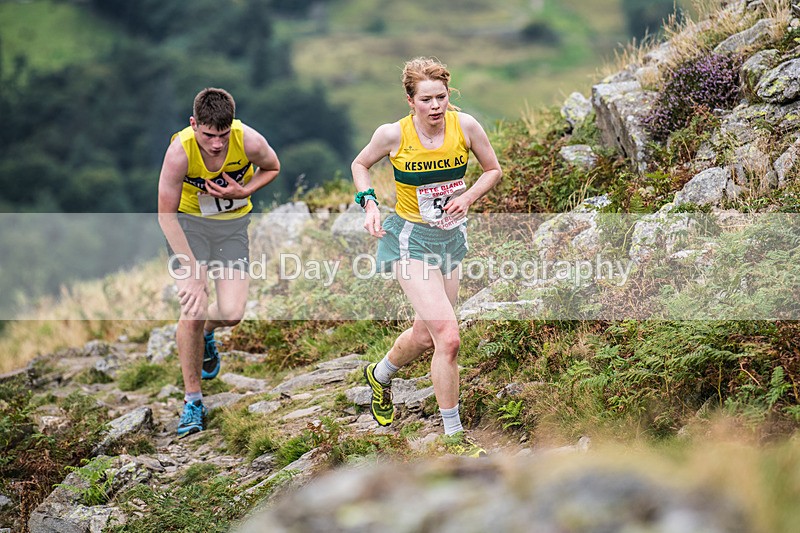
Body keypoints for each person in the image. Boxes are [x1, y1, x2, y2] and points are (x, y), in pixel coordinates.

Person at [351, 57, 502, 457]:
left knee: (425, 335)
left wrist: (467, 197)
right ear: (410, 101)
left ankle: (379, 374)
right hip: (409, 240)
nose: (436, 106)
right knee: (448, 338)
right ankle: (454, 438)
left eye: (441, 97)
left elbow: (493, 170)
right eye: (426, 99)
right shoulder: (393, 135)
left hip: (450, 240)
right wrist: (368, 204)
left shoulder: (465, 126)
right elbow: (360, 163)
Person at [158, 87, 280, 438]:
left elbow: (273, 167)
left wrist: (245, 191)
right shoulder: (178, 153)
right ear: (194, 124)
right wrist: (192, 272)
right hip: (187, 226)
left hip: (231, 228)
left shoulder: (250, 140)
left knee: (231, 313)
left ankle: (208, 334)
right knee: (193, 308)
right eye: (209, 136)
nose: (216, 144)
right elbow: (165, 216)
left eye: (223, 136)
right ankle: (193, 400)